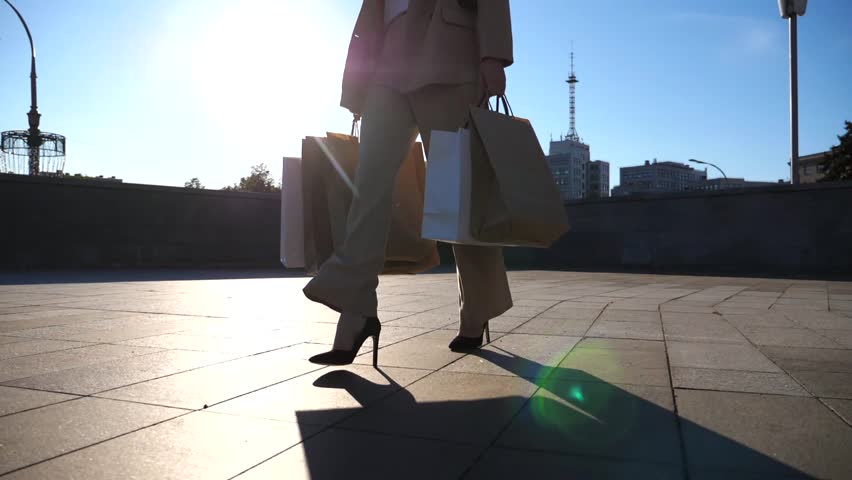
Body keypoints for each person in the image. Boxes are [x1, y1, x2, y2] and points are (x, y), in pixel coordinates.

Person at [304, 0, 514, 366]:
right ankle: (356, 309)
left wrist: (493, 56)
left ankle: (478, 307)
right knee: (366, 187)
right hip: (386, 61)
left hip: (448, 48)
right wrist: (357, 83)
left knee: (459, 191)